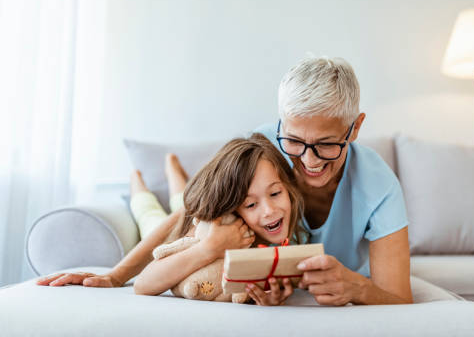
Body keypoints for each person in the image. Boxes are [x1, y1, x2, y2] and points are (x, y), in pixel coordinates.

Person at [37, 56, 413, 305]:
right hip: (195, 219)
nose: (308, 160)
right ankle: (149, 182)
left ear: (356, 127)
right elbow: (187, 215)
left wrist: (356, 286)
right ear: (281, 124)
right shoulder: (266, 148)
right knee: (165, 207)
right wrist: (116, 276)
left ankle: (174, 175)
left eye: (328, 144)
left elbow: (399, 298)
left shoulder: (379, 187)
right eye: (295, 141)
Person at [132, 133, 306, 305]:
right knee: (149, 215)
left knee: (179, 199)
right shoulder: (218, 230)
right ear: (235, 210)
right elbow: (142, 285)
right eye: (251, 204)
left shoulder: (299, 235)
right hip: (176, 235)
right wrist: (209, 248)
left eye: (275, 193)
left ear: (288, 188)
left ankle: (174, 171)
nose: (269, 210)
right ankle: (138, 180)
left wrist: (269, 297)